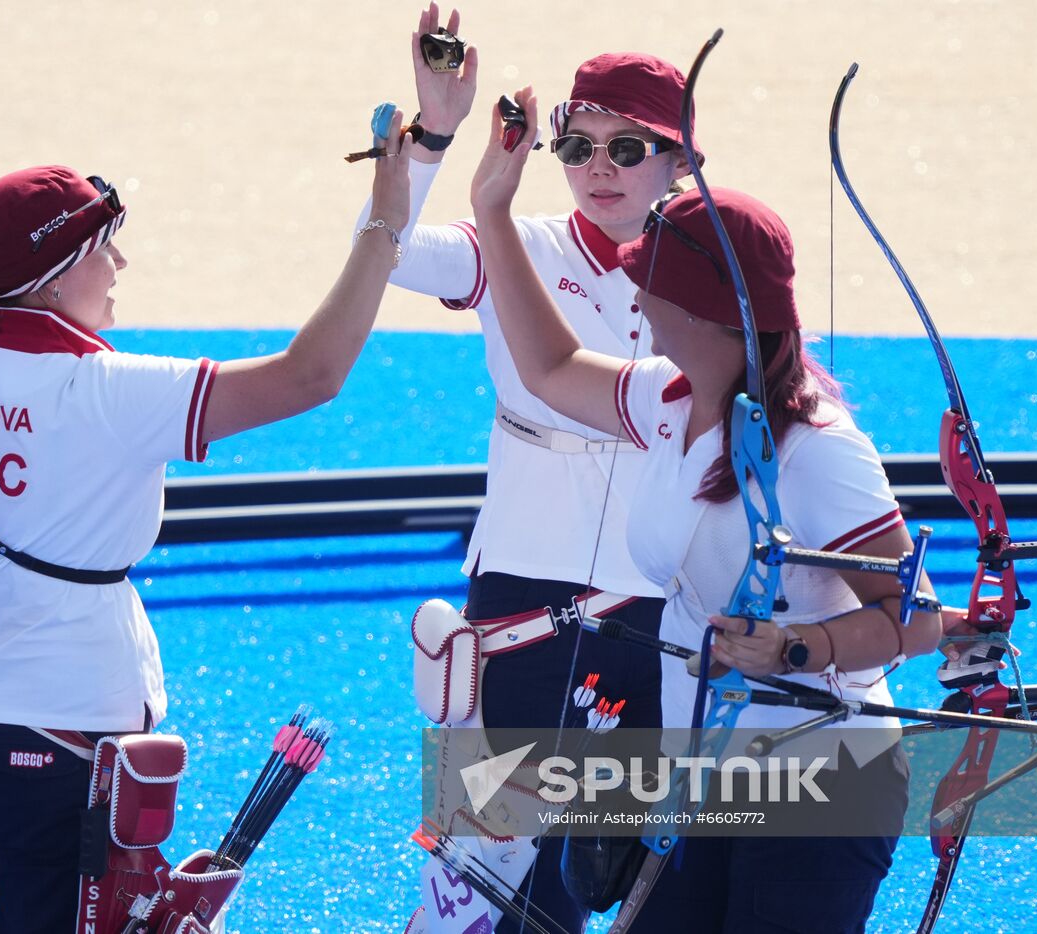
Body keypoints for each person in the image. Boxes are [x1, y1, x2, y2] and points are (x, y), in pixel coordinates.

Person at [0, 118, 411, 933]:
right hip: (64, 748)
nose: (121, 264)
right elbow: (314, 373)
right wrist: (388, 207)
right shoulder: (113, 390)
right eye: (105, 246)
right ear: (55, 276)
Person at [468, 86, 947, 932]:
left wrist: (799, 645)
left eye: (647, 285)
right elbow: (546, 368)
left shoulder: (817, 449)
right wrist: (492, 213)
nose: (634, 301)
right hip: (701, 775)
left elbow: (916, 621)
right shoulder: (667, 399)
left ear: (704, 310)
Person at [363, 7, 697, 929]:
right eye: (578, 144)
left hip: (653, 593)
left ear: (683, 160)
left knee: (600, 865)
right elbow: (381, 250)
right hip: (520, 575)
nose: (599, 166)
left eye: (630, 147)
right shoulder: (520, 240)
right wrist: (433, 134)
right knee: (480, 842)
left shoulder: (716, 269)